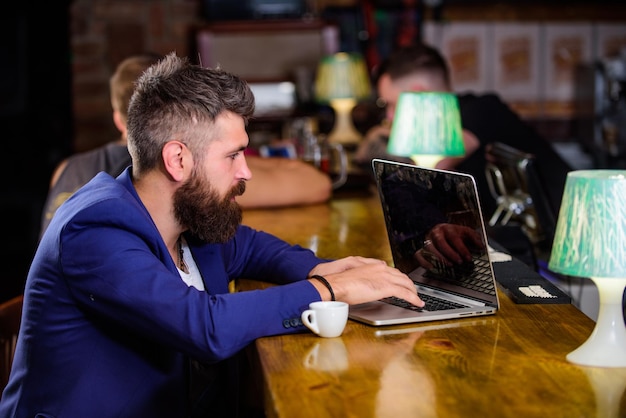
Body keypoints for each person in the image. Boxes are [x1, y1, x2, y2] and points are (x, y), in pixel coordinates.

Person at [0, 52, 423, 417]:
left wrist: (329, 267)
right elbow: (205, 327)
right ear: (178, 159)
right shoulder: (95, 230)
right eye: (233, 155)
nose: (246, 171)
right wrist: (330, 289)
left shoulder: (188, 219)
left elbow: (252, 246)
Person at [40, 54, 333, 235]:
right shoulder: (166, 180)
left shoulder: (67, 168)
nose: (243, 169)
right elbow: (317, 184)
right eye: (233, 156)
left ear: (120, 119)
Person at [354, 42, 573, 221]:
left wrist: (379, 141)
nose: (389, 116)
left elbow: (435, 168)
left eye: (392, 104)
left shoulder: (481, 110)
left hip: (567, 226)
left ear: (417, 96)